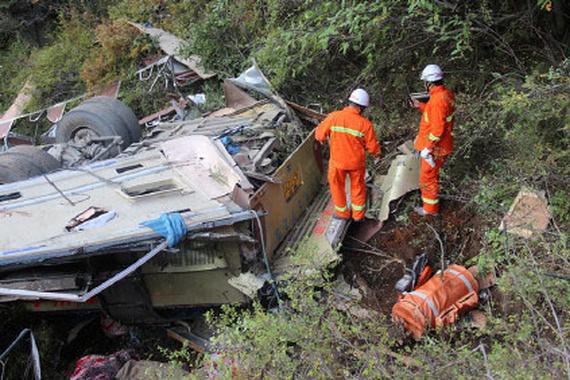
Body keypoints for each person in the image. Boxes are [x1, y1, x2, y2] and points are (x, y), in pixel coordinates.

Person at [315, 88, 381, 221]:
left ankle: (342, 214)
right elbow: (372, 147)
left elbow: (319, 135)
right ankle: (358, 216)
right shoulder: (365, 124)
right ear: (362, 108)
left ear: (350, 102)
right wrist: (377, 155)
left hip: (337, 162)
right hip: (356, 163)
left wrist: (323, 138)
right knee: (357, 187)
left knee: (337, 186)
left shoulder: (333, 117)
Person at [410, 64, 455, 216]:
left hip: (435, 148)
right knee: (431, 176)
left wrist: (428, 149)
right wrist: (421, 106)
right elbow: (437, 115)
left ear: (428, 82)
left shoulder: (437, 100)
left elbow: (437, 129)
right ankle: (431, 207)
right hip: (442, 145)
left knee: (428, 178)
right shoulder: (445, 95)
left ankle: (430, 210)